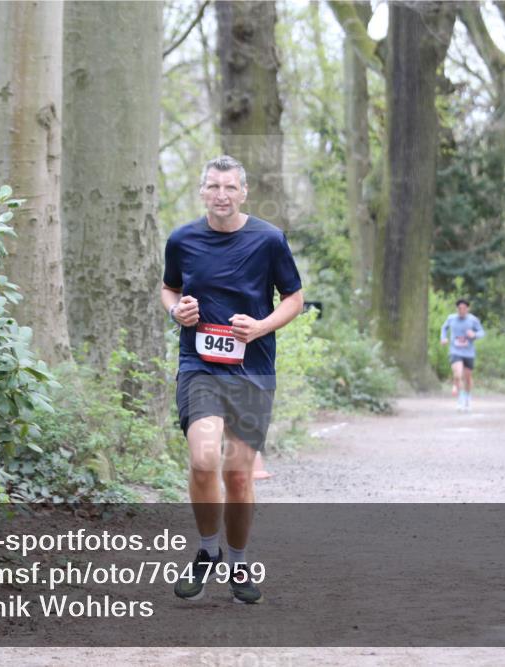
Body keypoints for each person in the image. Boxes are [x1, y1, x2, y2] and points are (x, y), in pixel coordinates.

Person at [161, 155, 304, 604]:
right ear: (202, 191)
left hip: (253, 368)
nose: (221, 195)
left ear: (243, 193)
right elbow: (169, 288)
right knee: (204, 459)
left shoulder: (268, 239)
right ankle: (207, 550)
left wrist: (261, 326)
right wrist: (175, 309)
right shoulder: (182, 239)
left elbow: (294, 298)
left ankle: (239, 561)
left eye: (229, 187)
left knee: (239, 476)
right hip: (199, 364)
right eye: (213, 187)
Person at [439, 299, 485, 411]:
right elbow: (444, 328)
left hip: (469, 352)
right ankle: (460, 398)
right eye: (459, 308)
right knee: (458, 374)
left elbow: (482, 332)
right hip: (455, 351)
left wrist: (474, 334)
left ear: (468, 309)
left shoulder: (473, 320)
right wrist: (443, 338)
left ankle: (468, 398)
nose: (462, 311)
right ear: (457, 309)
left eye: (464, 308)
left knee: (468, 378)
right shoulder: (451, 318)